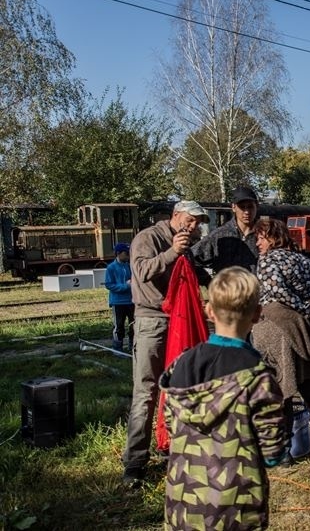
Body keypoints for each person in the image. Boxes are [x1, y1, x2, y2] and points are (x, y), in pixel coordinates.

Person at [160, 267, 288, 530]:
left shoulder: (181, 364)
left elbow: (171, 424)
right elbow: (272, 452)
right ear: (257, 314)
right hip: (236, 507)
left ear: (209, 311)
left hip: (184, 501)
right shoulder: (258, 377)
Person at [122, 200, 209, 487]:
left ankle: (173, 445)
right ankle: (135, 462)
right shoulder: (148, 238)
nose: (193, 226)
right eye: (190, 219)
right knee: (146, 391)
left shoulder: (187, 246)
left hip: (180, 321)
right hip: (153, 321)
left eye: (198, 223)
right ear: (175, 215)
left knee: (180, 387)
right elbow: (142, 271)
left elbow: (195, 277)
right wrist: (172, 252)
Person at [251, 217, 310, 419]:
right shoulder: (305, 261)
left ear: (274, 238)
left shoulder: (268, 260)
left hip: (278, 331)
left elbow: (278, 291)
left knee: (279, 387)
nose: (257, 243)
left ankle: (283, 434)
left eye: (261, 238)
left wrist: (306, 309)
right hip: (306, 332)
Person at [191, 185, 260, 278]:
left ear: (257, 206)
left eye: (250, 207)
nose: (246, 212)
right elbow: (191, 258)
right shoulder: (220, 235)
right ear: (234, 207)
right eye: (242, 207)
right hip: (227, 286)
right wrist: (208, 281)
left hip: (256, 286)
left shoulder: (265, 234)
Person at [105, 242, 134, 352]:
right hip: (118, 302)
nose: (128, 256)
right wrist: (125, 286)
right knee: (119, 326)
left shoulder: (129, 266)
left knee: (133, 325)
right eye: (126, 253)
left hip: (131, 301)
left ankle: (132, 346)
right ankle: (117, 348)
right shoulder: (111, 268)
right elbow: (109, 284)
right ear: (118, 253)